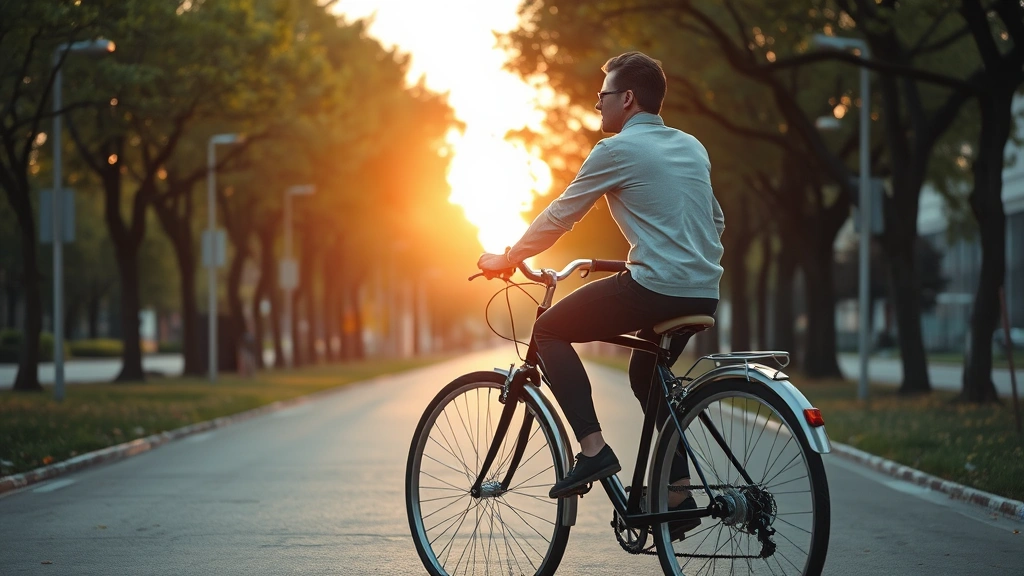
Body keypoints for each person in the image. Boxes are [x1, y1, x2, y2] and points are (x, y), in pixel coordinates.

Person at [477, 51, 725, 538]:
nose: (597, 105)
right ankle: (678, 495)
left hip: (656, 288)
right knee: (645, 372)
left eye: (603, 95)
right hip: (703, 291)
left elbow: (559, 217)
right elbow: (714, 220)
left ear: (627, 99)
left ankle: (593, 451)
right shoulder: (692, 146)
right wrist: (676, 257)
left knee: (548, 330)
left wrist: (508, 257)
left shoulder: (614, 151)